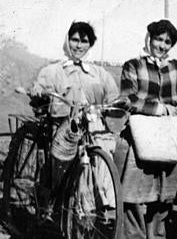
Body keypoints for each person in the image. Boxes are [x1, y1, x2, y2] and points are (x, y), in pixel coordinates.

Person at [115, 19, 177, 239]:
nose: (162, 45)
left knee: (165, 191)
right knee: (132, 190)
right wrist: (157, 109)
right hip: (140, 132)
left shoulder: (176, 68)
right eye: (158, 39)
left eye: (167, 41)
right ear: (149, 39)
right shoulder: (133, 65)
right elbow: (126, 99)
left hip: (168, 134)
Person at [32, 21, 120, 216]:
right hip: (64, 126)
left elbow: (113, 97)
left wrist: (115, 106)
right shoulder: (54, 70)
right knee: (61, 160)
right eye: (75, 40)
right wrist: (42, 93)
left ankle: (98, 203)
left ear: (90, 45)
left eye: (84, 41)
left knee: (106, 151)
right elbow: (38, 88)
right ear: (67, 40)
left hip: (93, 127)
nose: (79, 46)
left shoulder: (99, 73)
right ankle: (50, 201)